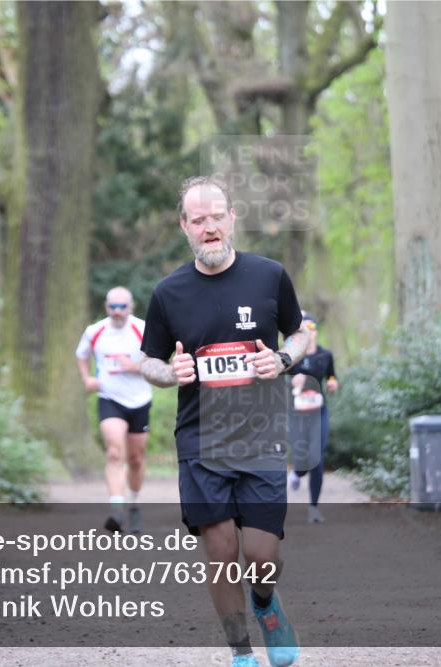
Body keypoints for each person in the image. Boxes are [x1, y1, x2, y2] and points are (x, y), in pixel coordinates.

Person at [139, 176, 310, 667]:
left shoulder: (269, 275)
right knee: (220, 551)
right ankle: (241, 654)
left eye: (217, 216)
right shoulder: (168, 293)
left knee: (260, 555)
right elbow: (147, 361)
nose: (209, 227)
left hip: (261, 437)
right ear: (185, 228)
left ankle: (265, 603)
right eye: (199, 220)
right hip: (200, 440)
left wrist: (280, 360)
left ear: (232, 218)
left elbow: (299, 334)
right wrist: (170, 372)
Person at [75, 286, 153, 534]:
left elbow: (159, 360)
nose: (117, 312)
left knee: (136, 458)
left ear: (131, 307)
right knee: (114, 452)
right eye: (113, 307)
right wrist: (87, 378)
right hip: (109, 398)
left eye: (122, 307)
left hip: (139, 399)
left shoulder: (142, 329)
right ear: (106, 307)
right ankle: (116, 510)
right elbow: (81, 355)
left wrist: (136, 366)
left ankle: (134, 504)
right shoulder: (95, 331)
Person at [287, 312, 339, 523]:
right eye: (303, 329)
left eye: (310, 328)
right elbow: (282, 378)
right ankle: (298, 473)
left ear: (315, 331)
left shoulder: (325, 356)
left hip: (319, 411)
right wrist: (293, 381)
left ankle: (314, 508)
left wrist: (333, 383)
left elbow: (332, 376)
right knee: (303, 455)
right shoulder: (293, 356)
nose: (308, 333)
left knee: (317, 456)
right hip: (297, 413)